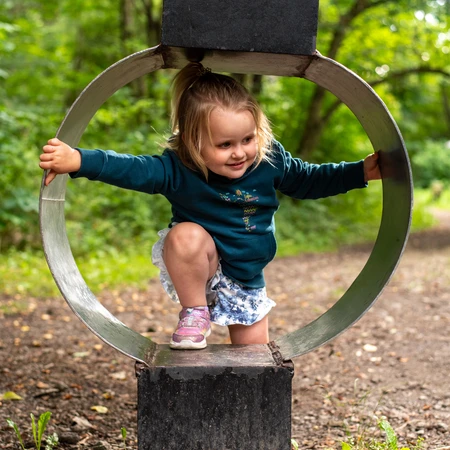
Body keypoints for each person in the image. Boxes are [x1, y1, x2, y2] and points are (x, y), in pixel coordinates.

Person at [40, 62, 381, 351]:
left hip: (246, 278)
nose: (240, 152)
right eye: (224, 144)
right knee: (184, 236)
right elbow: (132, 168)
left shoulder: (268, 159)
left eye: (247, 139)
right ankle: (195, 312)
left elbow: (310, 180)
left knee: (253, 360)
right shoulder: (177, 168)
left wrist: (360, 171)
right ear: (192, 142)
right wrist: (79, 160)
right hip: (201, 266)